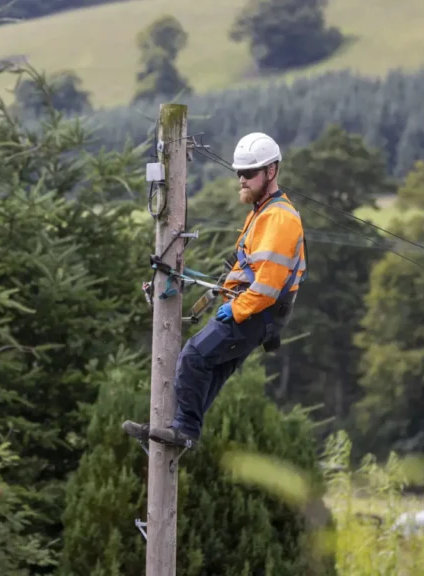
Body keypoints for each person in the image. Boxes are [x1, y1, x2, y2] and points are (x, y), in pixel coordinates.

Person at [123, 132, 307, 447]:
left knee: (194, 357)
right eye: (239, 173)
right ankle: (175, 430)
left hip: (256, 312)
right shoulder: (262, 213)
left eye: (249, 173)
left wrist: (234, 309)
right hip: (256, 311)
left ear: (271, 171)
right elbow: (249, 269)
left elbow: (269, 284)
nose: (242, 179)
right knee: (211, 368)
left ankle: (184, 431)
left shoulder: (278, 218)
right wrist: (211, 286)